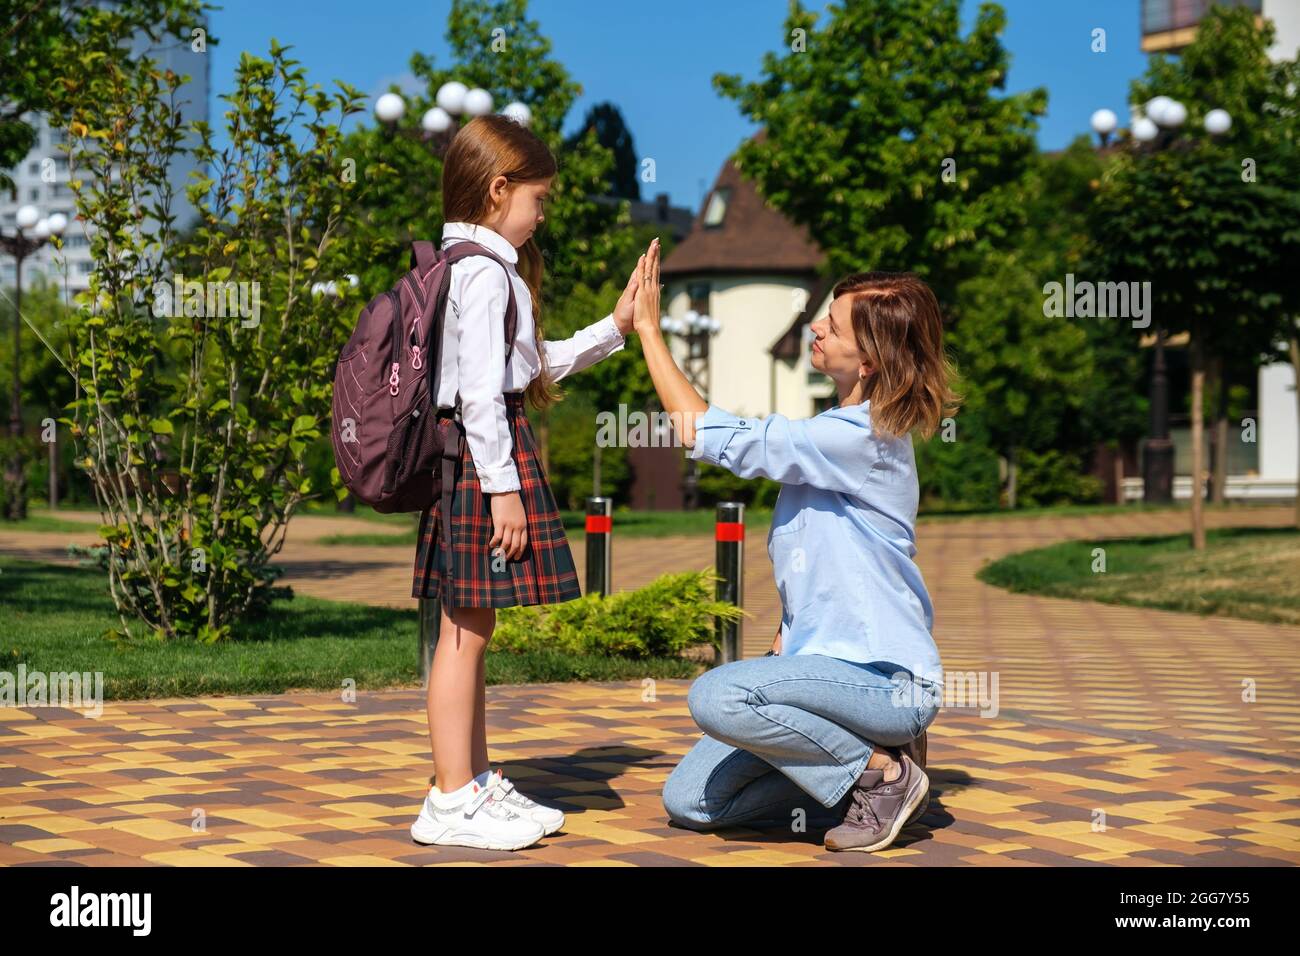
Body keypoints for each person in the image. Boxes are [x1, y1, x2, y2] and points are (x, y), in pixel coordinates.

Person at [633, 238, 959, 852]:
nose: (814, 327)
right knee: (692, 802)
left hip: (885, 683)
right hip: (823, 682)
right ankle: (860, 774)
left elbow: (712, 435)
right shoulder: (835, 436)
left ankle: (883, 774)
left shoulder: (863, 437)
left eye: (831, 327)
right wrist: (789, 634)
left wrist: (650, 331)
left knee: (718, 693)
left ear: (867, 362)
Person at [408, 115, 641, 851]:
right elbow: (481, 394)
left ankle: (470, 782)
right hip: (483, 455)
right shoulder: (480, 273)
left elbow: (526, 368)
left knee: (471, 625)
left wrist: (615, 327)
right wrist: (502, 488)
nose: (541, 217)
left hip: (479, 451)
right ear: (498, 188)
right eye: (538, 200)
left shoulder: (475, 268)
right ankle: (451, 799)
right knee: (465, 631)